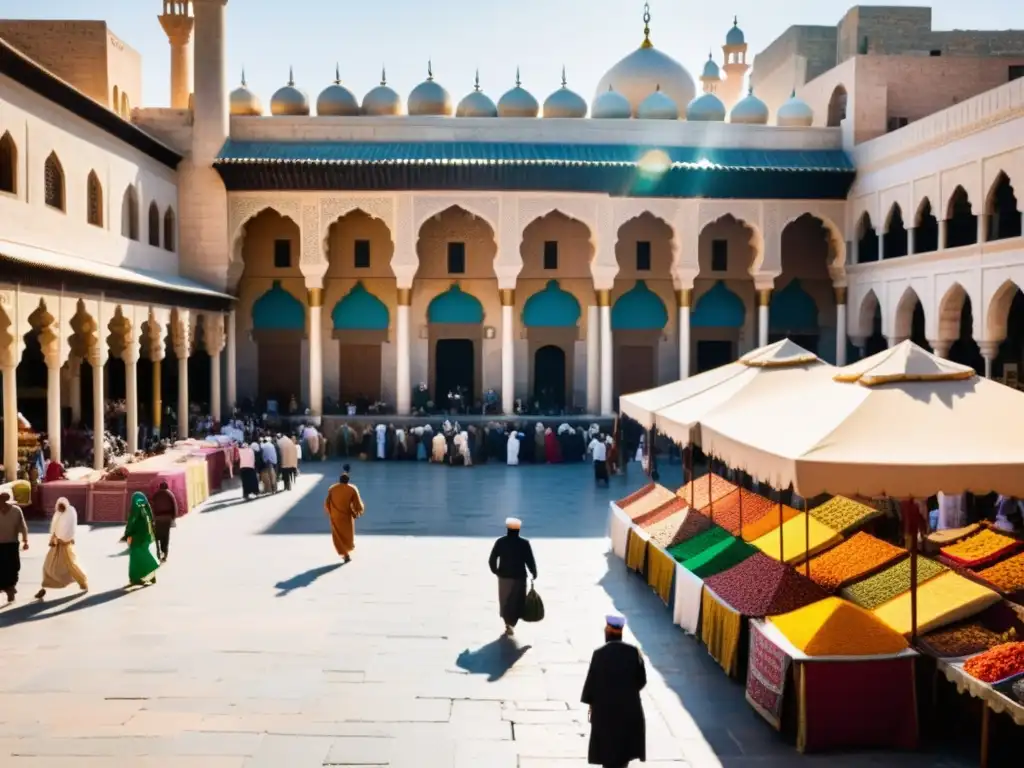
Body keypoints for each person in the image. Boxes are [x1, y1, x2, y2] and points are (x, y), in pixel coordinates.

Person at [581, 614, 647, 768]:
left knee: (607, 753)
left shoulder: (599, 654)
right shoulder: (634, 652)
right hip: (628, 713)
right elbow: (641, 681)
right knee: (624, 753)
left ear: (608, 631)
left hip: (605, 714)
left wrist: (593, 701)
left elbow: (591, 683)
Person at [488, 517, 537, 637]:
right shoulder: (524, 543)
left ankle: (507, 624)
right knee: (517, 601)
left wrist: (496, 571)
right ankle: (512, 623)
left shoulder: (500, 542)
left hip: (504, 577)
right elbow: (529, 560)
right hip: (519, 578)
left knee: (505, 601)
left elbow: (492, 559)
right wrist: (534, 572)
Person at [34, 496, 88, 600]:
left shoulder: (70, 513)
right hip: (56, 545)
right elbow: (54, 528)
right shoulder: (58, 514)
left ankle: (83, 582)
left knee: (70, 565)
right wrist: (53, 539)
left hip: (65, 545)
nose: (60, 508)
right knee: (47, 566)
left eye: (62, 506)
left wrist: (64, 539)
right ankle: (44, 588)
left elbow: (70, 529)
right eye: (59, 506)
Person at [324, 471, 364, 563]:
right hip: (346, 516)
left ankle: (345, 554)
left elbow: (327, 502)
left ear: (339, 480)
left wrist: (329, 511)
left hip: (335, 515)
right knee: (348, 535)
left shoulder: (332, 489)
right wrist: (358, 512)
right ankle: (347, 551)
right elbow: (357, 503)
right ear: (348, 481)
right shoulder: (352, 489)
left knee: (337, 535)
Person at [125, 492, 160, 587]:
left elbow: (132, 521)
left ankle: (141, 576)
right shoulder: (146, 507)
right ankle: (145, 577)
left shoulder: (136, 509)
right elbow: (151, 521)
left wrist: (127, 534)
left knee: (139, 556)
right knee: (139, 556)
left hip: (137, 537)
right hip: (147, 536)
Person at [0, 492, 29, 603]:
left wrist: (25, 540)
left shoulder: (16, 511)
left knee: (13, 567)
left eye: (4, 501)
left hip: (12, 544)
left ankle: (10, 589)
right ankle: (7, 588)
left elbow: (23, 526)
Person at [150, 482, 178, 562]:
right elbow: (174, 505)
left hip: (158, 518)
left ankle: (158, 551)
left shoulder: (156, 495)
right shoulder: (170, 494)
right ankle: (165, 553)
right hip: (167, 518)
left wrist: (153, 517)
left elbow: (152, 505)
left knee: (157, 535)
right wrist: (173, 517)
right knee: (165, 536)